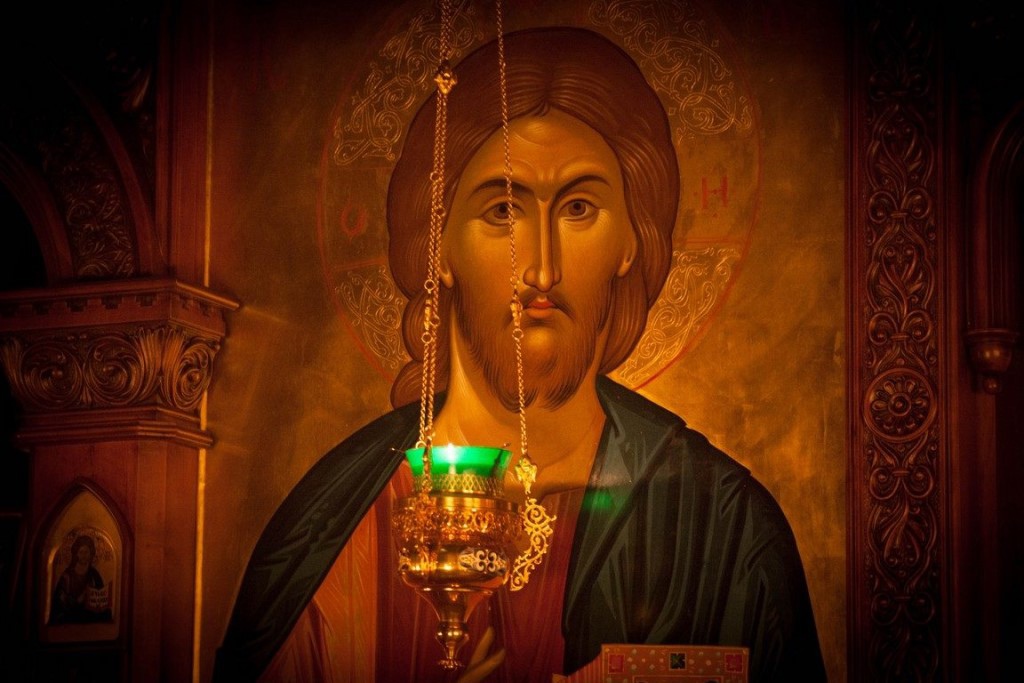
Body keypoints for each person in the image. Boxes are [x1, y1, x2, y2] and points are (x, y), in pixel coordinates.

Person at [215, 27, 825, 682]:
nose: (540, 268)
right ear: (439, 244)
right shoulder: (330, 528)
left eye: (579, 208)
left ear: (631, 241)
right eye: (503, 210)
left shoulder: (724, 527)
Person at [49, 534, 112, 625]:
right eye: (81, 552)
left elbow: (101, 600)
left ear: (91, 554)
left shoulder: (94, 575)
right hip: (71, 614)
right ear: (76, 554)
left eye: (86, 552)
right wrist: (78, 600)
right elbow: (59, 601)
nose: (84, 555)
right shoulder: (67, 576)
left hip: (89, 615)